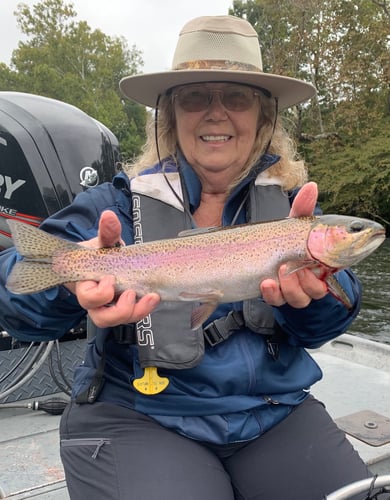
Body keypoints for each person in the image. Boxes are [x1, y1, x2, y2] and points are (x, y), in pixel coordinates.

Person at [0, 15, 372, 500]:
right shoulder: (111, 208)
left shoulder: (294, 214)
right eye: (196, 97)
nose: (216, 114)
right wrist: (69, 282)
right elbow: (9, 298)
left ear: (264, 117)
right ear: (170, 115)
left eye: (236, 98)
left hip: (272, 411)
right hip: (139, 414)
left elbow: (328, 325)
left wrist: (314, 301)